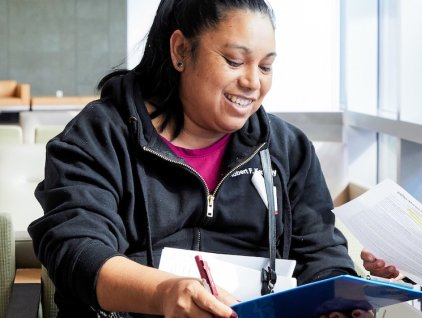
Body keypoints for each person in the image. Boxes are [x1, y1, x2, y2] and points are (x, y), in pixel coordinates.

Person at [28, 0, 368, 317]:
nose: (253, 82)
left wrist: (342, 300)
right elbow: (78, 250)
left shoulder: (287, 149)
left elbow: (321, 252)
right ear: (180, 50)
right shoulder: (100, 135)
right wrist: (164, 293)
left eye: (266, 66)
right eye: (235, 61)